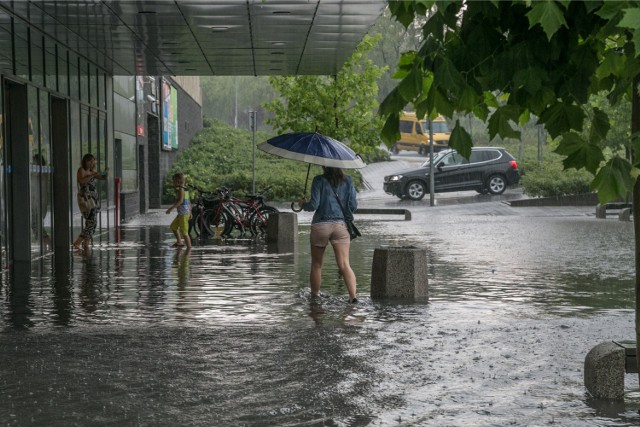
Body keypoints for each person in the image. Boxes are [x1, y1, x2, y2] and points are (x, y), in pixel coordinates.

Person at [298, 166, 358, 303]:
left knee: (317, 264)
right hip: (341, 226)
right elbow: (353, 206)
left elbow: (313, 205)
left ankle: (315, 296)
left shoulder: (319, 180)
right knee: (344, 264)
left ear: (324, 165)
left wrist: (303, 204)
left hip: (321, 225)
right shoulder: (348, 180)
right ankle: (353, 297)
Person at [73, 153, 108, 252]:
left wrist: (106, 172)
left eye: (93, 161)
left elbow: (103, 177)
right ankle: (78, 242)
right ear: (85, 161)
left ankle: (86, 241)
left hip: (93, 200)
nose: (91, 163)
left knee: (92, 222)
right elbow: (82, 181)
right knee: (91, 222)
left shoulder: (92, 172)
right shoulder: (82, 170)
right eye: (89, 161)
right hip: (85, 200)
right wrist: (93, 174)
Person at [166, 172, 192, 249]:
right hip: (182, 213)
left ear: (179, 181)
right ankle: (179, 242)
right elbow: (189, 202)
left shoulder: (181, 189)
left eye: (174, 181)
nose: (173, 183)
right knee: (173, 227)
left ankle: (189, 248)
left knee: (184, 232)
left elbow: (180, 201)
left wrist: (171, 208)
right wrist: (190, 212)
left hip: (183, 214)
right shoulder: (185, 189)